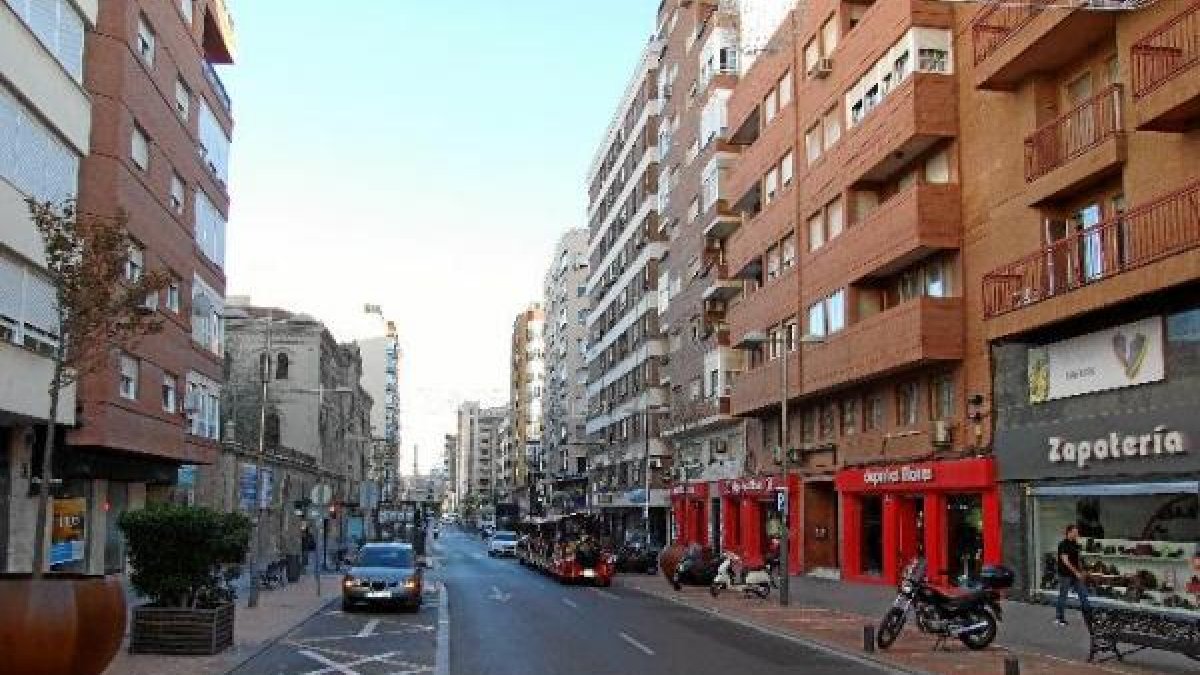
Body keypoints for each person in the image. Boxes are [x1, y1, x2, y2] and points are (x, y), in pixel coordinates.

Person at [1055, 523, 1092, 626]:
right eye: (1075, 532)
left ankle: (1088, 616)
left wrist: (1081, 570)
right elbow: (1065, 561)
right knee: (1063, 596)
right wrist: (1076, 572)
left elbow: (1077, 559)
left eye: (1077, 532)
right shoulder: (1063, 544)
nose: (1077, 534)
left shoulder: (1075, 544)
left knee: (1083, 594)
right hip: (1065, 575)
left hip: (1076, 575)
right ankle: (1059, 618)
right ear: (1069, 532)